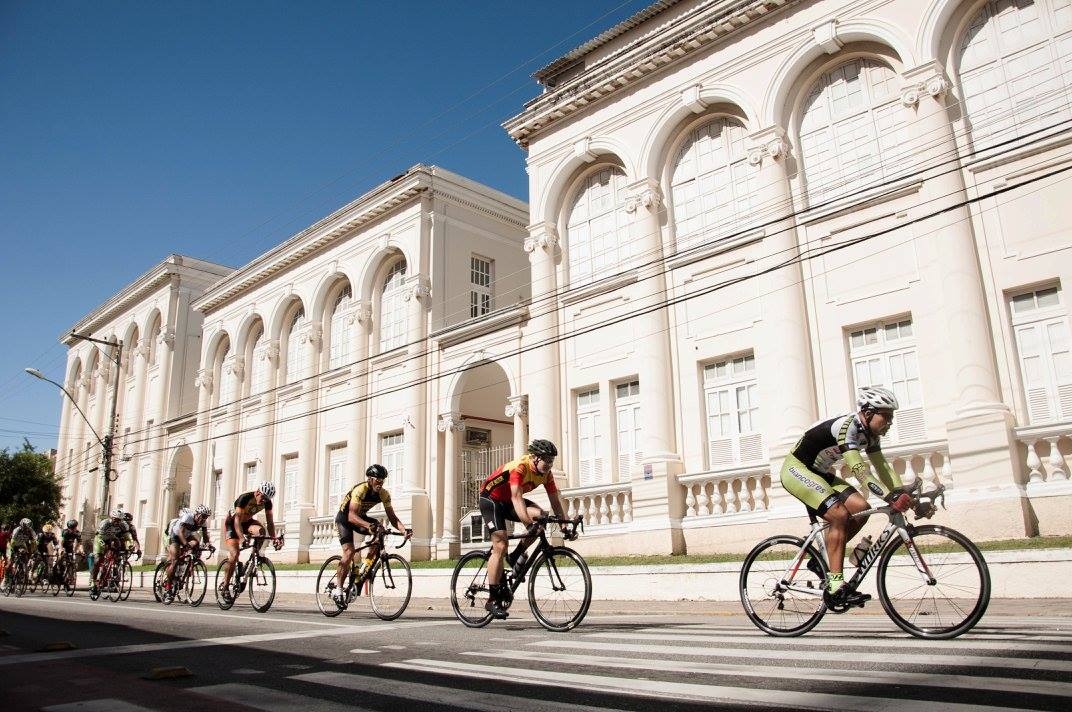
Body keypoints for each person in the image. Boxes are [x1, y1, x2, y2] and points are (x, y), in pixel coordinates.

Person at [779, 385, 913, 607]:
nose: (890, 423)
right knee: (839, 515)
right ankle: (836, 584)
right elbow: (861, 471)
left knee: (861, 507)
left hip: (819, 473)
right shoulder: (848, 428)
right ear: (869, 413)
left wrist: (901, 493)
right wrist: (890, 497)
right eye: (886, 417)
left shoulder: (870, 435)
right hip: (797, 470)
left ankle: (821, 561)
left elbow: (884, 469)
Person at [479, 439, 572, 620]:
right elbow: (516, 497)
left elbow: (555, 500)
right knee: (500, 544)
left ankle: (516, 556)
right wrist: (528, 525)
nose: (549, 464)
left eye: (552, 460)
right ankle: (492, 599)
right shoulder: (520, 467)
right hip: (491, 500)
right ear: (535, 458)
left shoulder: (547, 474)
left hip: (509, 502)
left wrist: (564, 524)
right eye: (546, 460)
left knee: (542, 517)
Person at [331, 464, 410, 604]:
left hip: (359, 517)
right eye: (377, 480)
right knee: (349, 552)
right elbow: (351, 516)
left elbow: (392, 518)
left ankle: (363, 569)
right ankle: (338, 588)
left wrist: (404, 530)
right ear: (370, 479)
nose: (380, 484)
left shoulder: (384, 494)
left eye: (383, 481)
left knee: (379, 530)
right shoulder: (361, 489)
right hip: (345, 519)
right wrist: (369, 526)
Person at [218, 481, 282, 600]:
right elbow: (237, 520)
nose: (264, 501)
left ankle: (254, 558)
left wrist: (274, 538)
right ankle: (225, 586)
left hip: (247, 522)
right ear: (258, 492)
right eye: (263, 497)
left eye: (267, 499)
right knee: (234, 554)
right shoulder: (245, 498)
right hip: (232, 524)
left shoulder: (267, 502)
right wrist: (242, 538)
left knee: (261, 532)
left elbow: (270, 522)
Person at [163, 504, 212, 599]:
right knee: (175, 560)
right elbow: (180, 533)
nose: (203, 519)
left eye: (206, 517)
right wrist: (186, 545)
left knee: (196, 543)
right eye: (202, 516)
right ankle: (168, 588)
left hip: (186, 536)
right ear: (197, 514)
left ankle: (190, 563)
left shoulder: (203, 522)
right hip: (176, 536)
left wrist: (209, 545)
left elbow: (205, 537)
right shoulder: (187, 517)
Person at [90, 510, 127, 595]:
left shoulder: (122, 525)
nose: (117, 522)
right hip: (100, 539)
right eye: (115, 520)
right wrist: (105, 546)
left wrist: (129, 545)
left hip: (111, 538)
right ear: (111, 518)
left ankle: (112, 569)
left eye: (119, 520)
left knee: (117, 551)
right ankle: (93, 581)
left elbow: (126, 535)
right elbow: (100, 536)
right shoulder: (105, 523)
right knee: (98, 559)